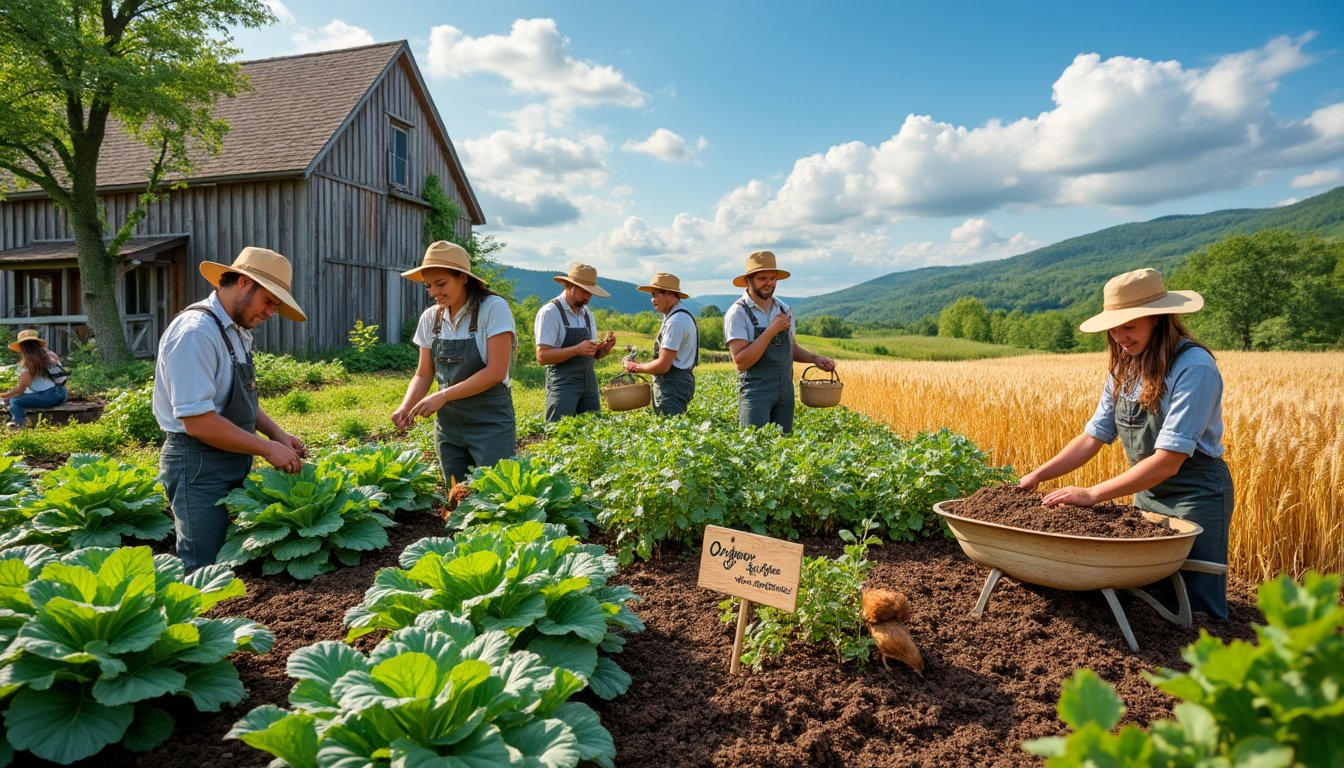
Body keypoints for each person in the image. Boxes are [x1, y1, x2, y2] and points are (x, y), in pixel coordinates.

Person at [1019, 268, 1233, 618]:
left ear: (1158, 319)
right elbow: (1093, 437)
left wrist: (1091, 495)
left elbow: (1169, 460)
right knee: (1147, 601)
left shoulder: (1194, 368)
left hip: (1195, 493)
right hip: (1146, 490)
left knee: (1196, 605)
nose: (1119, 336)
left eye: (1129, 326)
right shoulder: (1125, 368)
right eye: (1114, 328)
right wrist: (1036, 476)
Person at [153, 246, 308, 572]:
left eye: (276, 306)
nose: (270, 313)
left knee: (231, 560)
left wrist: (277, 434)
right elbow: (198, 421)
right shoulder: (196, 333)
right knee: (205, 564)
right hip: (197, 462)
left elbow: (239, 396)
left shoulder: (237, 332)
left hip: (230, 456)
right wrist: (267, 449)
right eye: (269, 301)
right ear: (242, 282)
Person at [392, 240, 516, 485]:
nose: (433, 293)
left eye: (441, 284)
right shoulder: (431, 317)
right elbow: (423, 374)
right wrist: (406, 406)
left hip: (490, 423)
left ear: (463, 278)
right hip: (448, 426)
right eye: (429, 286)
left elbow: (495, 371)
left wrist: (444, 396)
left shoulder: (493, 308)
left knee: (496, 494)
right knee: (456, 497)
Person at [723, 250, 835, 433]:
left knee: (783, 449)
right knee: (754, 449)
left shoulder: (784, 309)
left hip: (785, 393)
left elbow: (791, 348)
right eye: (762, 278)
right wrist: (771, 331)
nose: (769, 283)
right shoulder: (737, 313)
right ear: (748, 280)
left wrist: (815, 358)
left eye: (773, 278)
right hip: (756, 393)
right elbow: (741, 362)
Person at [534, 262, 617, 421]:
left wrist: (604, 348)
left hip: (589, 384)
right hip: (563, 385)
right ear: (569, 286)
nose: (587, 297)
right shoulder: (550, 312)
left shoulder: (587, 314)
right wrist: (576, 350)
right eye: (583, 291)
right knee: (558, 432)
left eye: (590, 293)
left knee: (592, 432)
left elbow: (594, 355)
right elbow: (542, 356)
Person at [624, 272, 698, 416]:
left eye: (656, 295)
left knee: (670, 431)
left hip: (672, 385)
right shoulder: (677, 316)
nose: (652, 300)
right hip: (677, 382)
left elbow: (664, 365)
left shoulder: (675, 321)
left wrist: (636, 368)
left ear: (670, 295)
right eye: (652, 295)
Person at [1, 329, 69, 427]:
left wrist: (4, 395)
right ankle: (19, 417)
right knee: (11, 400)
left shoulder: (28, 365)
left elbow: (20, 390)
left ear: (22, 348)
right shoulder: (50, 355)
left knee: (15, 401)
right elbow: (60, 379)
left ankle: (18, 424)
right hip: (61, 392)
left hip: (50, 397)